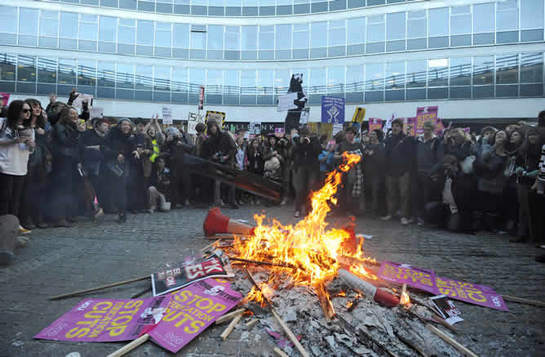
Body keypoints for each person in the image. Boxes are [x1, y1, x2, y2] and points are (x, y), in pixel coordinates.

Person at [0, 100, 35, 234]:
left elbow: (31, 150)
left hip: (21, 166)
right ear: (16, 111)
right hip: (4, 164)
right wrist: (13, 141)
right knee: (4, 198)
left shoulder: (29, 129)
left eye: (29, 111)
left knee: (16, 199)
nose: (28, 113)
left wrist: (31, 145)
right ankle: (4, 226)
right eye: (25, 110)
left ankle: (14, 225)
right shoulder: (3, 123)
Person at [49, 107, 82, 227]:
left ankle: (67, 214)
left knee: (69, 189)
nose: (75, 116)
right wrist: (77, 132)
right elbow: (65, 141)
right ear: (65, 115)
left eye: (76, 114)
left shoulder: (72, 127)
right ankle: (59, 217)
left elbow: (76, 145)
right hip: (62, 161)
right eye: (72, 114)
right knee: (60, 190)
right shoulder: (59, 126)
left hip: (71, 161)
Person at [20, 99, 50, 229]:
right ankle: (26, 218)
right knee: (26, 191)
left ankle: (38, 217)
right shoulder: (21, 125)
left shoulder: (42, 124)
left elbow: (48, 140)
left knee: (40, 190)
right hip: (26, 160)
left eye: (38, 106)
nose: (37, 109)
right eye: (34, 107)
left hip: (40, 160)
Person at [382, 119, 415, 224]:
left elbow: (410, 157)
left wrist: (406, 170)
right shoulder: (388, 139)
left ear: (401, 127)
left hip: (403, 172)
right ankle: (390, 213)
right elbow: (385, 155)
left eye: (397, 126)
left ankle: (404, 216)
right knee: (391, 194)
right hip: (390, 171)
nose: (395, 128)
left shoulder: (407, 139)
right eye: (393, 126)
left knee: (404, 195)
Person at [102, 118, 135, 223]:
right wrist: (116, 154)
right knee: (115, 189)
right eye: (124, 124)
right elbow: (104, 148)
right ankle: (115, 210)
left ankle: (122, 212)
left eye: (128, 125)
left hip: (125, 166)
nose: (126, 127)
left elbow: (132, 149)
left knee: (121, 190)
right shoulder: (111, 135)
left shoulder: (130, 137)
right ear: (119, 126)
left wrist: (136, 151)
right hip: (111, 166)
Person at [202, 120, 238, 208]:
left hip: (228, 162)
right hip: (217, 163)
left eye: (214, 126)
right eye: (211, 127)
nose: (213, 129)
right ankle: (217, 201)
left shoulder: (225, 135)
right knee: (217, 182)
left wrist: (227, 156)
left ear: (216, 127)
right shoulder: (210, 140)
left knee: (231, 182)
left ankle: (232, 201)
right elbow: (207, 153)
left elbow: (233, 148)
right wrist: (213, 157)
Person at [79, 117, 110, 217]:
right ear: (98, 125)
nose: (106, 128)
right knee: (88, 185)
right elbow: (81, 146)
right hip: (88, 162)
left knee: (97, 186)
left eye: (107, 126)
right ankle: (92, 208)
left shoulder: (106, 136)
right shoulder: (88, 134)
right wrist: (92, 148)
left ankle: (95, 207)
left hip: (101, 164)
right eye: (104, 125)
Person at [414, 121, 442, 225]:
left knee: (427, 197)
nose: (426, 131)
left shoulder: (437, 141)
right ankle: (418, 217)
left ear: (432, 130)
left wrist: (431, 172)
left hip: (429, 174)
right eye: (425, 129)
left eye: (428, 129)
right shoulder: (417, 140)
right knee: (417, 196)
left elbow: (440, 160)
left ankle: (426, 218)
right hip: (417, 172)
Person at [291, 126, 321, 218]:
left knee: (310, 188)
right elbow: (293, 152)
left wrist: (310, 143)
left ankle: (308, 209)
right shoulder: (297, 140)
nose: (305, 136)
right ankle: (298, 210)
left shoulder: (314, 140)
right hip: (301, 166)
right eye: (303, 135)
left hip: (312, 167)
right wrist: (300, 143)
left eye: (306, 134)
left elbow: (318, 151)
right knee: (300, 189)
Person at [335, 126, 364, 215]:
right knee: (342, 190)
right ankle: (342, 210)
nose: (349, 135)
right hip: (342, 171)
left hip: (354, 171)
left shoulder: (358, 144)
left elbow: (362, 156)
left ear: (354, 135)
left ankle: (352, 210)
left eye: (351, 133)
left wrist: (352, 156)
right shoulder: (341, 144)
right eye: (347, 133)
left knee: (352, 191)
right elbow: (335, 156)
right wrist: (343, 156)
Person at [363, 129, 385, 217]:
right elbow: (363, 157)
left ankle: (375, 211)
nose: (371, 136)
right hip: (367, 173)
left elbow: (382, 160)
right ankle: (368, 210)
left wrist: (373, 154)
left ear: (377, 136)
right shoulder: (368, 146)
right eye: (371, 134)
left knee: (375, 192)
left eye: (374, 134)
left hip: (376, 174)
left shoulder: (380, 146)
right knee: (368, 192)